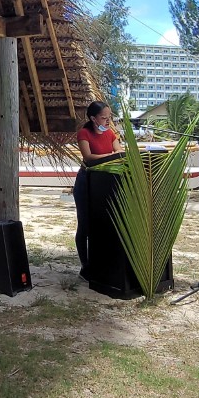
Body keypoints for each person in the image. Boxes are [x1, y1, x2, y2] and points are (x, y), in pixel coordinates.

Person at [72, 101, 123, 276]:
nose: (108, 122)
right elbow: (88, 157)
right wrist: (110, 155)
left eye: (110, 118)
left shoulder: (110, 133)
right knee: (85, 224)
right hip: (86, 182)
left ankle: (102, 264)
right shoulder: (84, 133)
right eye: (104, 118)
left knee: (103, 223)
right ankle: (85, 266)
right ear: (93, 118)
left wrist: (115, 154)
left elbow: (120, 153)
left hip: (106, 183)